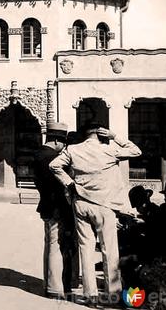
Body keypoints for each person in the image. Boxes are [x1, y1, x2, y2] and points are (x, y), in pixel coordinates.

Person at [50, 124, 141, 304]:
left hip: (81, 203)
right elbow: (136, 151)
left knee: (86, 248)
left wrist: (69, 183)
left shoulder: (73, 149)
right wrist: (114, 135)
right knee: (109, 249)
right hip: (105, 204)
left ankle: (90, 294)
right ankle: (113, 294)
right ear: (101, 134)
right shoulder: (109, 149)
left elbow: (54, 166)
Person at [33, 122, 78, 298]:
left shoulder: (38, 154)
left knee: (49, 244)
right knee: (56, 245)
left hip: (46, 204)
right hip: (58, 206)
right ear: (58, 141)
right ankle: (55, 287)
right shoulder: (53, 157)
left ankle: (49, 283)